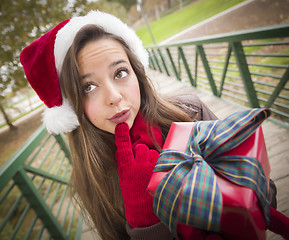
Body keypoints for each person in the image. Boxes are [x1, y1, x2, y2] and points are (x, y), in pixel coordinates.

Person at [20, 11, 278, 240]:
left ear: (136, 72)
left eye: (120, 72)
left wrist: (241, 192)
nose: (114, 97)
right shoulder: (93, 177)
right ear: (73, 107)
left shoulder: (190, 111)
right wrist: (146, 221)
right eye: (88, 87)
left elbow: (267, 194)